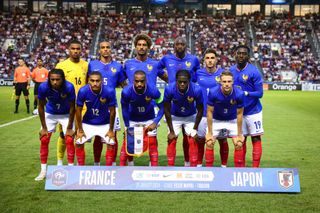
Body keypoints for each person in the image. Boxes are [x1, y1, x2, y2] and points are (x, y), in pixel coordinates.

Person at [158, 37, 200, 166]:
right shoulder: (166, 58)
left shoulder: (193, 59)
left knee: (189, 138)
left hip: (188, 100)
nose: (180, 46)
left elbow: (197, 74)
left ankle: (188, 164)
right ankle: (172, 166)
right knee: (173, 137)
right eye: (177, 44)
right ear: (174, 46)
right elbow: (158, 69)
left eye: (182, 44)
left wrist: (191, 86)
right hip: (173, 100)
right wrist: (168, 80)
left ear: (186, 46)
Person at [88, 41, 126, 166]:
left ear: (111, 49)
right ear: (99, 50)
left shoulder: (118, 66)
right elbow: (86, 84)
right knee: (98, 136)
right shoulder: (92, 65)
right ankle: (96, 163)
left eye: (107, 47)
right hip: (94, 105)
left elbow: (123, 84)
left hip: (111, 106)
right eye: (102, 47)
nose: (105, 49)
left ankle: (113, 164)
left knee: (112, 135)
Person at [35, 69, 76, 181]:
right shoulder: (43, 87)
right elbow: (40, 107)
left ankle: (71, 169)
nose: (54, 82)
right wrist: (43, 127)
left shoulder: (69, 87)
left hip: (66, 114)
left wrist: (69, 128)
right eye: (52, 79)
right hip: (50, 113)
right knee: (44, 139)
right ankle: (43, 171)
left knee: (68, 139)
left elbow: (73, 107)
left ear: (63, 79)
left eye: (57, 79)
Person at [55, 40, 88, 166]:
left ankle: (77, 165)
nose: (75, 51)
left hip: (82, 107)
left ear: (81, 50)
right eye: (73, 49)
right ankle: (59, 162)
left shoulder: (85, 65)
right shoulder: (61, 66)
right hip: (66, 107)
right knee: (64, 135)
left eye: (78, 49)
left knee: (79, 135)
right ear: (69, 50)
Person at [120, 70, 164, 166]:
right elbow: (124, 110)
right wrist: (127, 126)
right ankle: (125, 169)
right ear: (133, 81)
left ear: (146, 81)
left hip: (149, 118)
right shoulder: (126, 92)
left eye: (142, 81)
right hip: (132, 119)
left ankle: (153, 169)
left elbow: (163, 107)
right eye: (136, 81)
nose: (139, 84)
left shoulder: (153, 90)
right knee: (127, 144)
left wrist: (155, 122)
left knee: (152, 143)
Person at [230, 45, 264, 167]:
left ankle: (255, 169)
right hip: (238, 112)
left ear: (248, 56)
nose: (241, 56)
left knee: (255, 138)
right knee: (240, 140)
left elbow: (260, 93)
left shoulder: (254, 71)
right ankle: (240, 169)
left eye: (244, 53)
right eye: (239, 53)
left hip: (253, 111)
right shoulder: (231, 71)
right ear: (235, 54)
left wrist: (246, 93)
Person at [196, 48, 229, 167]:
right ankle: (199, 164)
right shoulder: (198, 73)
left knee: (222, 140)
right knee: (200, 139)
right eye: (207, 58)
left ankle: (224, 165)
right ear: (204, 60)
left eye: (212, 58)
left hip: (218, 115)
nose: (210, 60)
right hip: (202, 114)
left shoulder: (223, 75)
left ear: (216, 60)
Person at [75, 71, 116, 166]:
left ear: (102, 81)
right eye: (92, 81)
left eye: (97, 81)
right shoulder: (83, 91)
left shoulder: (109, 91)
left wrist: (110, 130)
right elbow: (78, 111)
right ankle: (80, 168)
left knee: (110, 143)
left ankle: (108, 170)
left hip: (105, 123)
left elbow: (112, 112)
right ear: (88, 81)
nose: (95, 83)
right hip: (88, 122)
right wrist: (80, 129)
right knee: (79, 142)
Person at [164, 70, 203, 167]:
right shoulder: (169, 89)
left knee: (192, 140)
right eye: (179, 82)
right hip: (174, 116)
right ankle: (170, 168)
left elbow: (201, 110)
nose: (182, 84)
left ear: (189, 81)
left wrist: (195, 129)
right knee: (172, 139)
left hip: (190, 116)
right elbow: (166, 110)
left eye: (185, 82)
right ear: (176, 80)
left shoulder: (196, 89)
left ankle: (192, 167)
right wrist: (171, 131)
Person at [205, 70, 245, 167]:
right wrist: (210, 133)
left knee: (239, 143)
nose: (226, 84)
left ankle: (237, 172)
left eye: (229, 81)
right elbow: (209, 112)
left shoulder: (239, 93)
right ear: (220, 82)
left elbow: (240, 114)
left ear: (233, 82)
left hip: (232, 120)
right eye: (224, 82)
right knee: (209, 142)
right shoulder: (213, 92)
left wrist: (239, 134)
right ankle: (209, 170)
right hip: (216, 120)